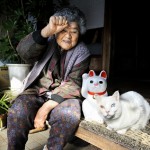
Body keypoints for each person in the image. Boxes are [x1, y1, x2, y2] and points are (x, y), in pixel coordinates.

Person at [7, 6, 91, 150]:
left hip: (64, 96)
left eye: (74, 31)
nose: (68, 36)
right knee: (18, 110)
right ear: (56, 30)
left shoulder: (82, 52)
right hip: (36, 91)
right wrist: (46, 31)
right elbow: (23, 52)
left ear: (80, 33)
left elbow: (74, 83)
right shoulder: (47, 40)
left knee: (69, 113)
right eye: (64, 30)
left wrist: (45, 108)